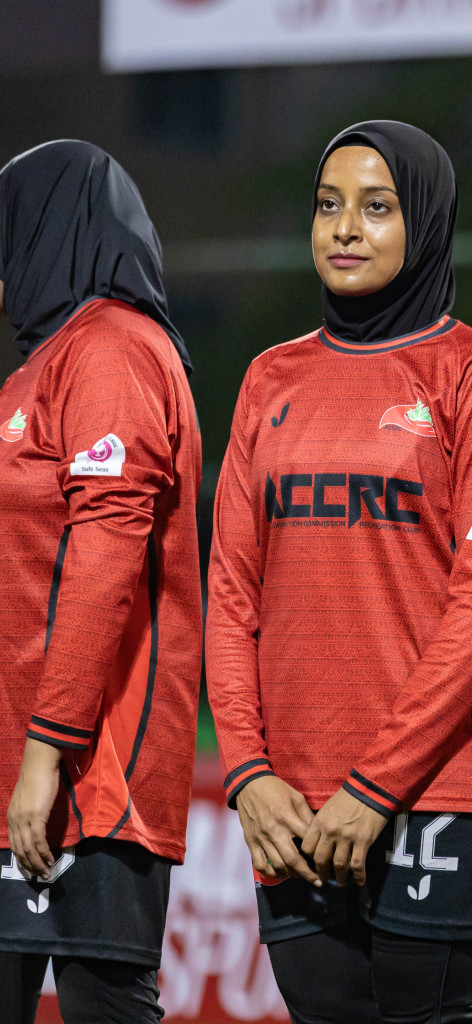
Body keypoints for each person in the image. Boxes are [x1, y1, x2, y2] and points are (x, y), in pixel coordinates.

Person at [205, 121, 472, 1024]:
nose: (345, 228)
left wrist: (375, 786)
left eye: (377, 207)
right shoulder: (269, 380)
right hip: (293, 806)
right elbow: (232, 597)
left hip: (442, 793)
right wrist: (246, 771)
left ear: (425, 222)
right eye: (328, 206)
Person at [0, 141, 202, 1023]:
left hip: (89, 781)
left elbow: (105, 556)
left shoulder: (113, 350)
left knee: (105, 1005)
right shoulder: (41, 365)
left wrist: (45, 755)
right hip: (24, 772)